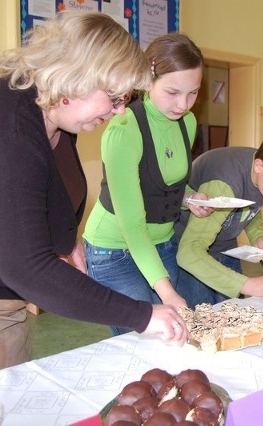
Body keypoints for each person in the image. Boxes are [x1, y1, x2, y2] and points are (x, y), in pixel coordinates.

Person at [0, 11, 188, 380]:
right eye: (114, 98)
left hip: (6, 300)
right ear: (76, 77)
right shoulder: (9, 134)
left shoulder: (54, 116)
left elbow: (43, 196)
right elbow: (28, 269)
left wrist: (65, 239)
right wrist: (141, 314)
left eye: (126, 99)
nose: (119, 112)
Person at [83, 33, 211, 336]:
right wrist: (167, 292)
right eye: (172, 92)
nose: (183, 104)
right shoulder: (124, 128)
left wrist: (190, 198)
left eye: (193, 93)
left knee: (171, 340)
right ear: (147, 80)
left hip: (162, 243)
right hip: (115, 250)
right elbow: (132, 225)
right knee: (140, 342)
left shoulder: (187, 123)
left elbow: (164, 182)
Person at [176, 130, 263, 307]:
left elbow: (249, 203)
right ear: (258, 166)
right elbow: (188, 253)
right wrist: (247, 284)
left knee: (233, 312)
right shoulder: (224, 185)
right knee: (202, 317)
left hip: (225, 246)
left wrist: (258, 236)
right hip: (192, 252)